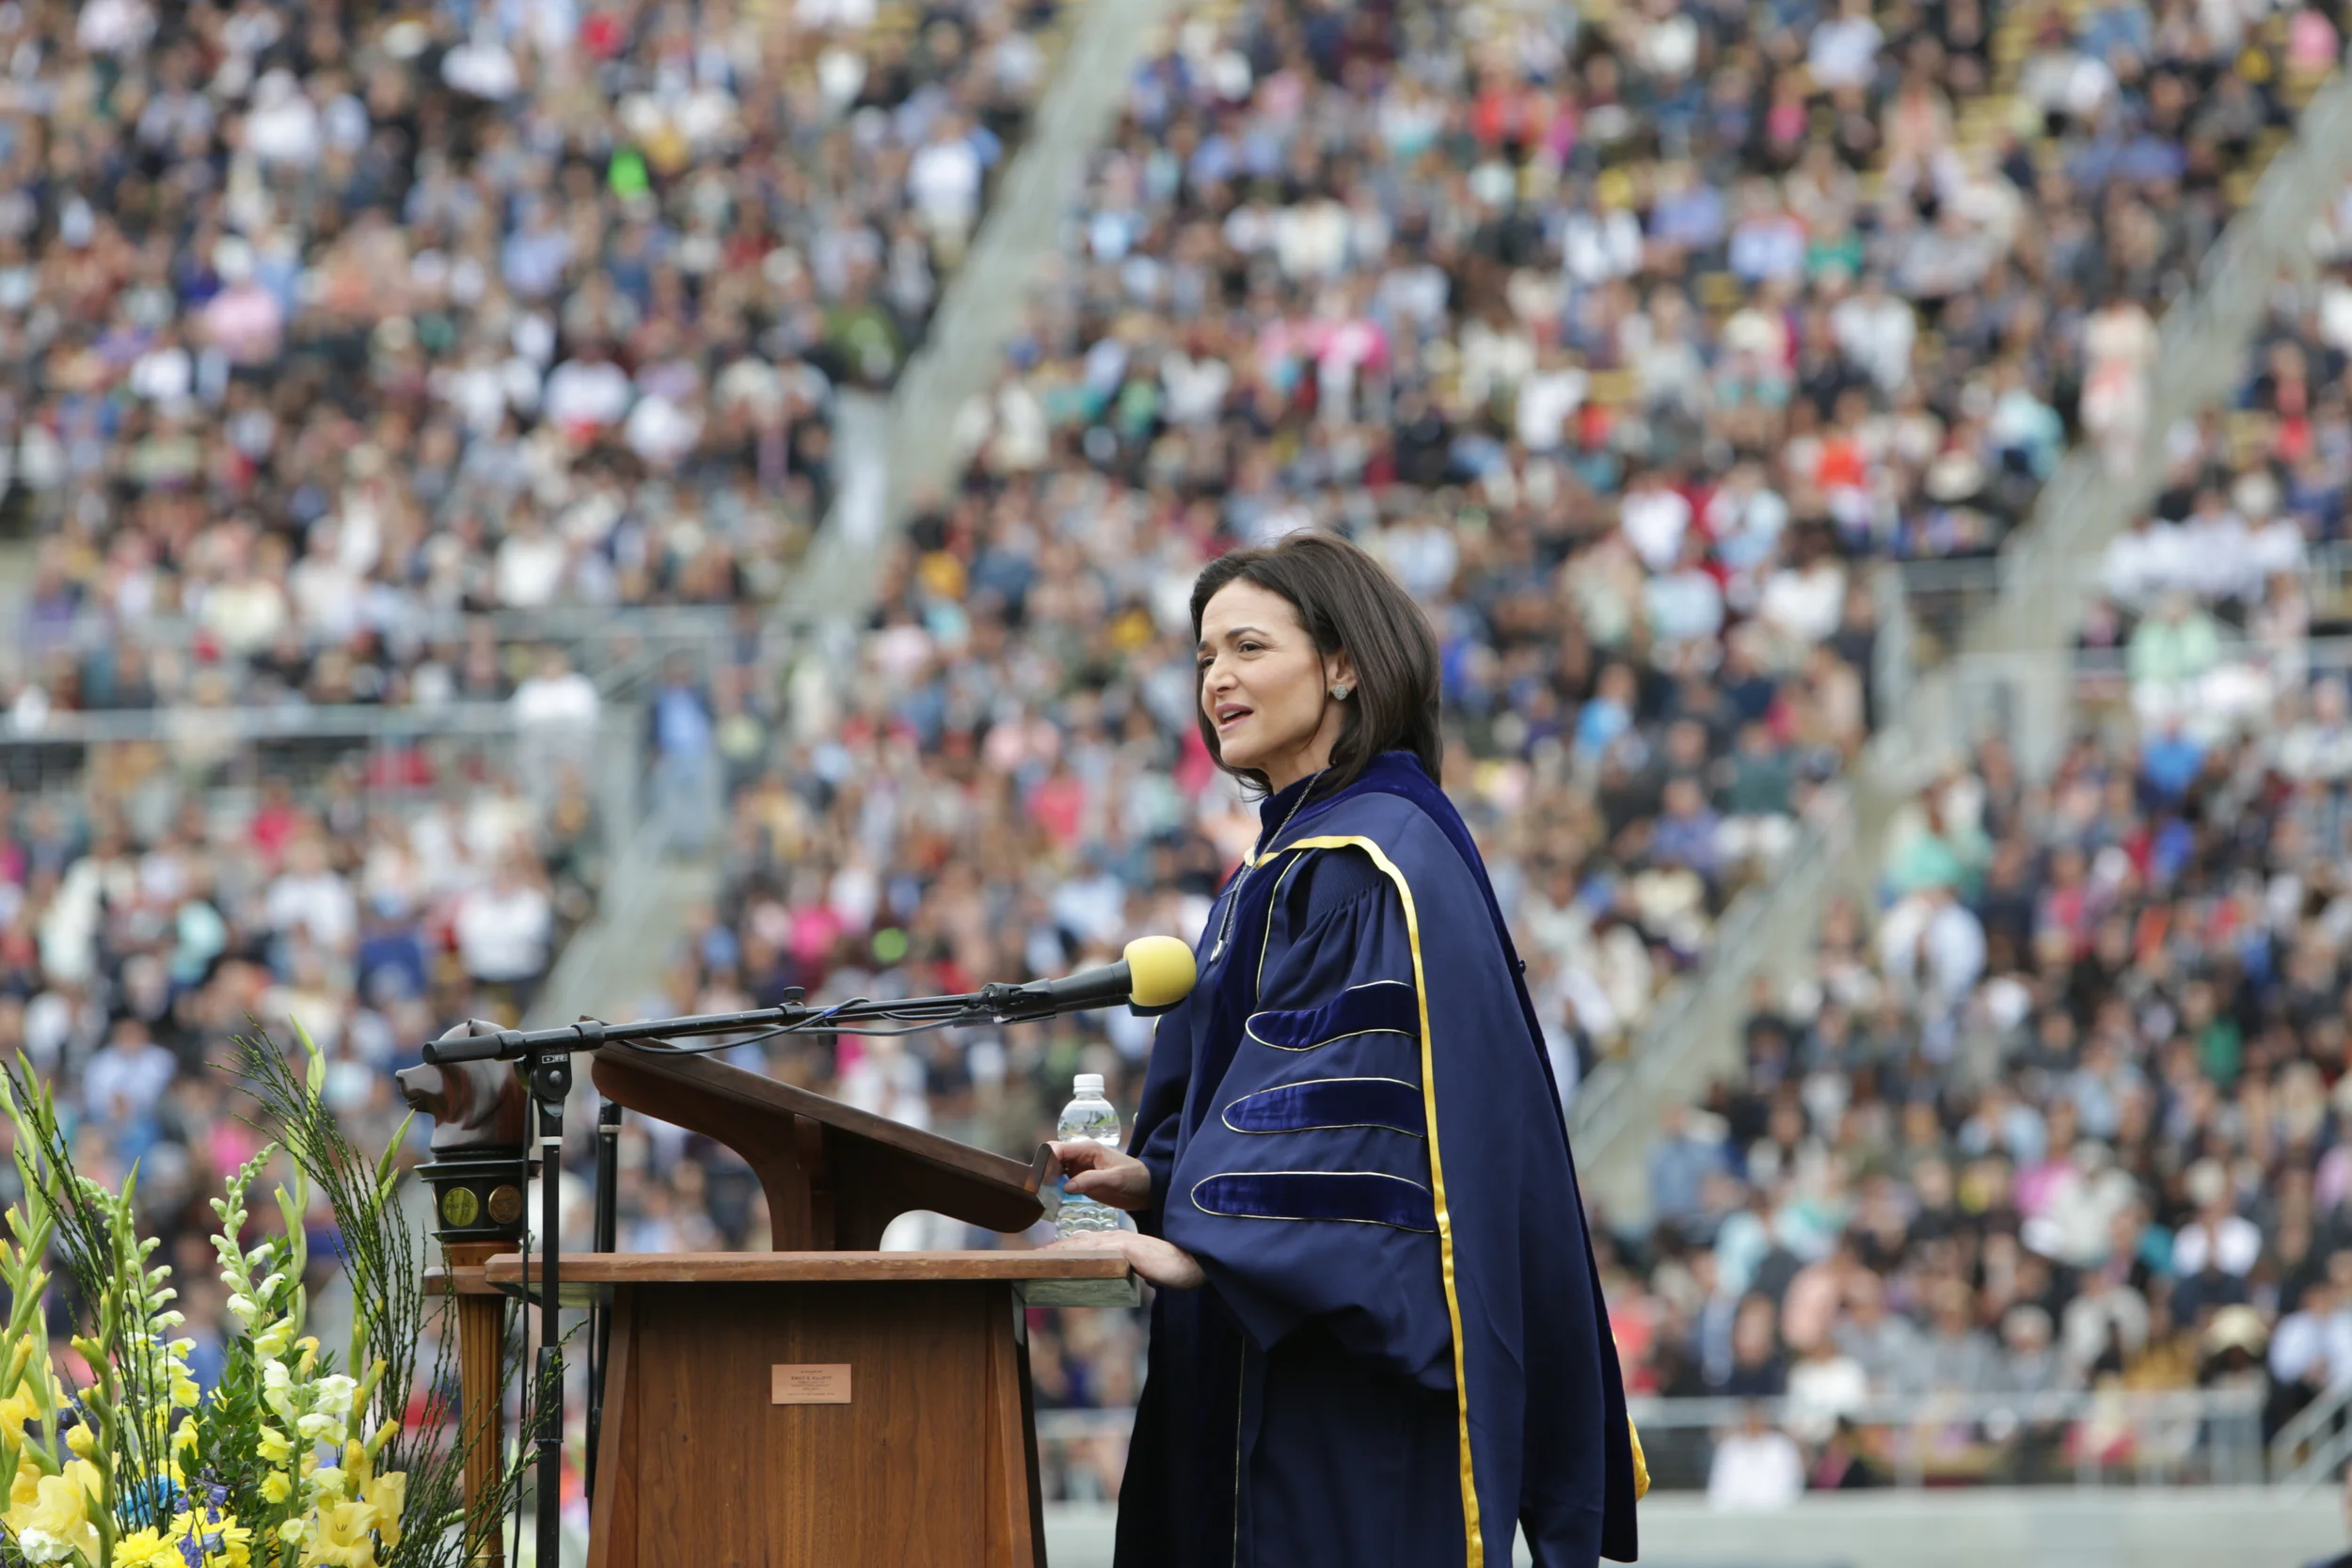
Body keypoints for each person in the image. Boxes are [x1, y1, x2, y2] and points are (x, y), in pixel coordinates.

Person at [1044, 533, 1645, 1568]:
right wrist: (1163, 1176)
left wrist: (1216, 1235)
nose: (1216, 679)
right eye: (1202, 658)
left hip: (1350, 1396)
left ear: (1342, 663)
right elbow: (1264, 1097)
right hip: (1258, 1367)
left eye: (1246, 646)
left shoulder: (1375, 859)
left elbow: (1360, 1129)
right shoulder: (1272, 870)